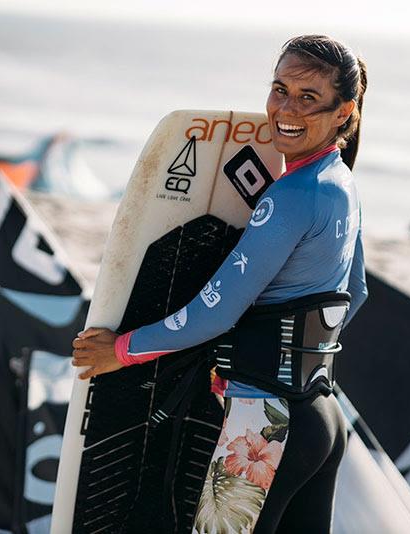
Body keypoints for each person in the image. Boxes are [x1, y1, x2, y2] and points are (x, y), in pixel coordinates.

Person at [71, 34, 368, 533]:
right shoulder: (341, 183)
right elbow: (354, 292)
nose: (285, 108)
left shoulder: (291, 195)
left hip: (265, 429)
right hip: (321, 417)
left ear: (344, 111)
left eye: (308, 97)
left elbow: (215, 312)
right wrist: (283, 359)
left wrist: (119, 351)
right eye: (279, 89)